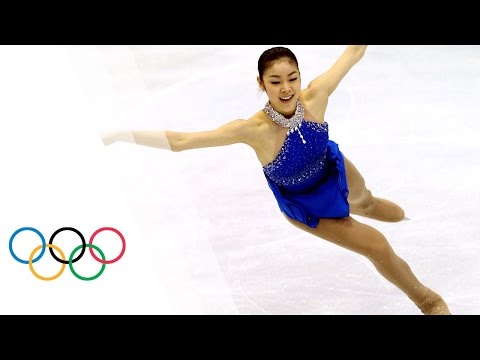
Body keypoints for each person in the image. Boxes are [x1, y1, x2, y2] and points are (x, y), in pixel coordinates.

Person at [101, 45, 451, 315]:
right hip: (306, 203)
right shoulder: (253, 130)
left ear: (300, 76)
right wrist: (120, 134)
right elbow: (181, 142)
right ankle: (429, 302)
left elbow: (354, 51)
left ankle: (395, 213)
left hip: (332, 167)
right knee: (376, 246)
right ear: (261, 83)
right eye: (275, 81)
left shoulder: (316, 95)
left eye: (292, 78)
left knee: (369, 203)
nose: (286, 89)